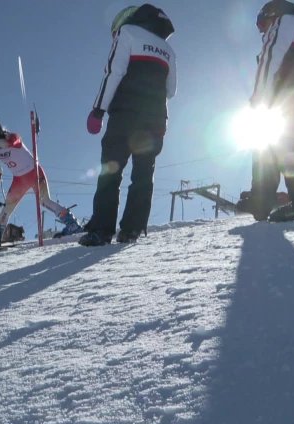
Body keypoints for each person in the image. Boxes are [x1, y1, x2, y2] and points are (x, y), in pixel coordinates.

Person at [79, 4, 177, 246]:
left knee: (111, 170)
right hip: (156, 120)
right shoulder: (168, 50)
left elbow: (114, 71)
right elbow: (171, 91)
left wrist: (98, 110)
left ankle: (102, 230)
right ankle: (132, 229)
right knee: (144, 174)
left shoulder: (128, 32)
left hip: (126, 115)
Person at [0, 119, 84, 245]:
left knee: (45, 201)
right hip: (19, 180)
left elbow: (8, 143)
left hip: (33, 173)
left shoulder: (12, 136)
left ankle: (72, 224)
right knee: (7, 209)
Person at [248, 0, 294, 222]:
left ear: (272, 16)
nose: (263, 32)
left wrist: (259, 98)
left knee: (280, 143)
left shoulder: (284, 22)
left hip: (287, 94)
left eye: (263, 26)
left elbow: (269, 60)